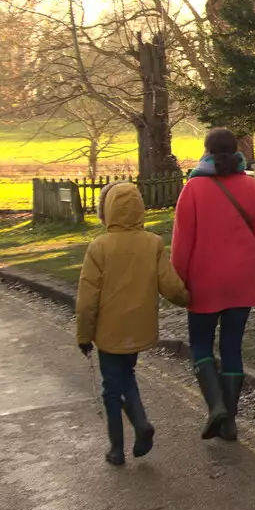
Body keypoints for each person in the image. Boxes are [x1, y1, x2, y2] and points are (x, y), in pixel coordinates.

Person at [172, 127, 255, 440]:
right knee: (232, 347)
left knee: (200, 346)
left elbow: (182, 244)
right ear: (237, 152)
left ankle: (217, 407)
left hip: (203, 281)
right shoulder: (250, 188)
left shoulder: (192, 190)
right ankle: (229, 421)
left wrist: (176, 283)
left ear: (206, 151)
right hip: (242, 281)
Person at [75, 182, 190, 466]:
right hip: (139, 327)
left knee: (111, 388)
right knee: (126, 375)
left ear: (107, 211)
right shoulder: (151, 243)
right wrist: (189, 299)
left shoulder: (99, 247)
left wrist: (83, 335)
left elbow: (87, 299)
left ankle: (118, 446)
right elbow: (170, 285)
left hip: (108, 330)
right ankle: (140, 423)